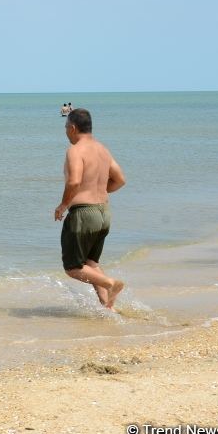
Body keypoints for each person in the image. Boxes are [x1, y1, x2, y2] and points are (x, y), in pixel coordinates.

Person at [54, 108, 126, 311]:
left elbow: (74, 181)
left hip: (84, 214)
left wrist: (63, 205)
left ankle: (110, 283)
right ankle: (108, 307)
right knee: (91, 263)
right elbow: (120, 180)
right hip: (103, 213)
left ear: (73, 128)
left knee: (73, 268)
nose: (66, 132)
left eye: (66, 127)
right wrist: (98, 192)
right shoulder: (103, 150)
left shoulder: (75, 151)